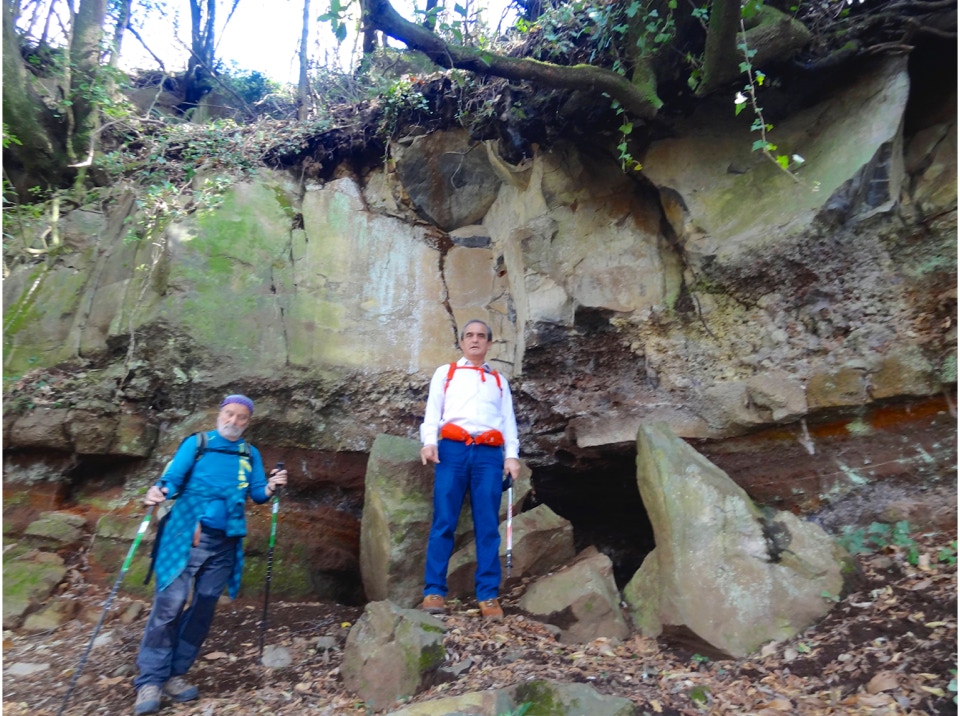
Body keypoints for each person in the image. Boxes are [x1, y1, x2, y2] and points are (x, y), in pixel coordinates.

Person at [132, 395, 287, 715]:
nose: (233, 421)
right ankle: (150, 680)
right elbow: (172, 480)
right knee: (170, 605)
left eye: (241, 417)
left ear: (248, 422)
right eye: (229, 414)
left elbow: (257, 494)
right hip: (185, 534)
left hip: (225, 541)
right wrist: (158, 490)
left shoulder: (249, 453)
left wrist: (272, 486)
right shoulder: (198, 443)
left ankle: (175, 674)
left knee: (204, 606)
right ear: (220, 414)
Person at [419, 319, 521, 620]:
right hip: (453, 450)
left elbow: (508, 421)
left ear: (489, 343)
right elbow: (432, 410)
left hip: (489, 454)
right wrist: (429, 442)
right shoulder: (446, 373)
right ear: (462, 342)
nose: (475, 340)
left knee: (487, 525)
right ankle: (434, 591)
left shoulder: (499, 381)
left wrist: (511, 457)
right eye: (469, 336)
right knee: (443, 521)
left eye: (480, 336)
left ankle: (487, 594)